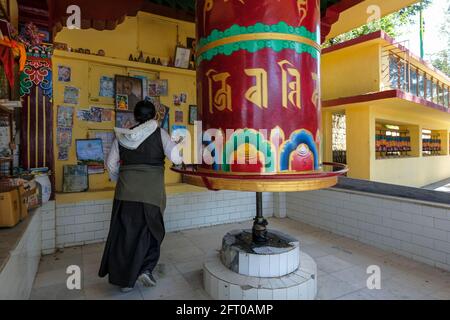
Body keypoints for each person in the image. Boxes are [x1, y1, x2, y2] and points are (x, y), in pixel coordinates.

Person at [99, 100, 183, 292]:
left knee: (124, 236)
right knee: (151, 232)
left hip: (125, 194)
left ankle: (124, 281)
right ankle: (146, 268)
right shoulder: (160, 133)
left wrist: (119, 180)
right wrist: (176, 147)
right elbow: (177, 159)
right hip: (151, 195)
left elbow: (111, 165)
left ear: (135, 116)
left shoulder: (122, 136)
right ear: (154, 116)